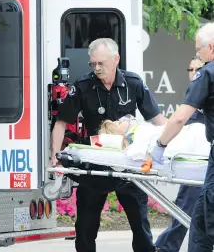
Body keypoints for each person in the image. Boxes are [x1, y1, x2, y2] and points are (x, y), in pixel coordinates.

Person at [50, 38, 166, 252]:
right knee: (85, 225)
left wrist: (169, 144)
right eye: (92, 64)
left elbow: (157, 119)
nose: (96, 68)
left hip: (127, 162)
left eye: (101, 63)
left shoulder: (133, 83)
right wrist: (55, 156)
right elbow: (60, 122)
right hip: (95, 163)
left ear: (116, 60)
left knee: (140, 225)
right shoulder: (83, 86)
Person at [150, 23, 214, 252]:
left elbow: (178, 118)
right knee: (200, 223)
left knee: (203, 225)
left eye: (199, 49)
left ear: (211, 47)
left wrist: (159, 145)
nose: (197, 54)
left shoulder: (207, 73)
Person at [154, 57, 205, 252]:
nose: (193, 73)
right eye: (190, 69)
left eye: (197, 69)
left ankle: (167, 246)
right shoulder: (192, 99)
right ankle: (166, 247)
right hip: (193, 162)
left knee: (189, 207)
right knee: (185, 206)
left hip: (203, 162)